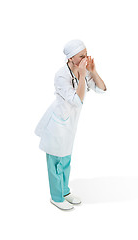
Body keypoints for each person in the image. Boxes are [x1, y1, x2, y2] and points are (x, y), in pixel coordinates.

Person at [34, 39, 107, 211]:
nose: (85, 58)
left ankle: (65, 192)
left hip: (69, 125)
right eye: (81, 56)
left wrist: (93, 72)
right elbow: (77, 100)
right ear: (70, 58)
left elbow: (102, 89)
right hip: (57, 125)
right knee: (55, 162)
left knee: (66, 160)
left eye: (86, 54)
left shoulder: (83, 72)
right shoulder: (61, 75)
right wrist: (83, 75)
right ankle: (56, 197)